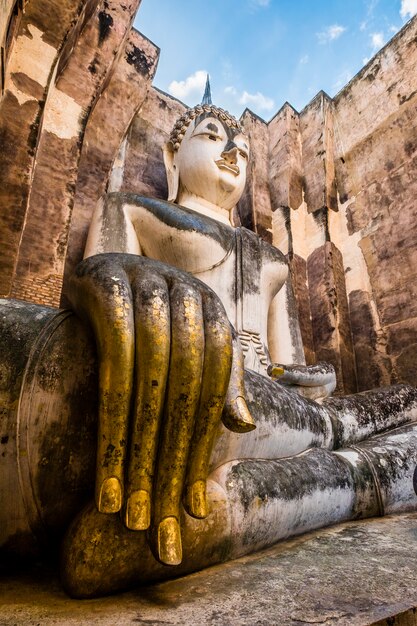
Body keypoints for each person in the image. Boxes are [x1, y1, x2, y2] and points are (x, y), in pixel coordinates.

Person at [60, 97, 417, 597]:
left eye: (242, 151)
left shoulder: (273, 262)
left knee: (408, 403)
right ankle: (311, 486)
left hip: (273, 405)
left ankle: (246, 503)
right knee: (348, 430)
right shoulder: (135, 211)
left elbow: (284, 363)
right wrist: (116, 279)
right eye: (210, 137)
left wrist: (309, 378)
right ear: (172, 156)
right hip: (182, 386)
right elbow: (97, 295)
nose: (230, 153)